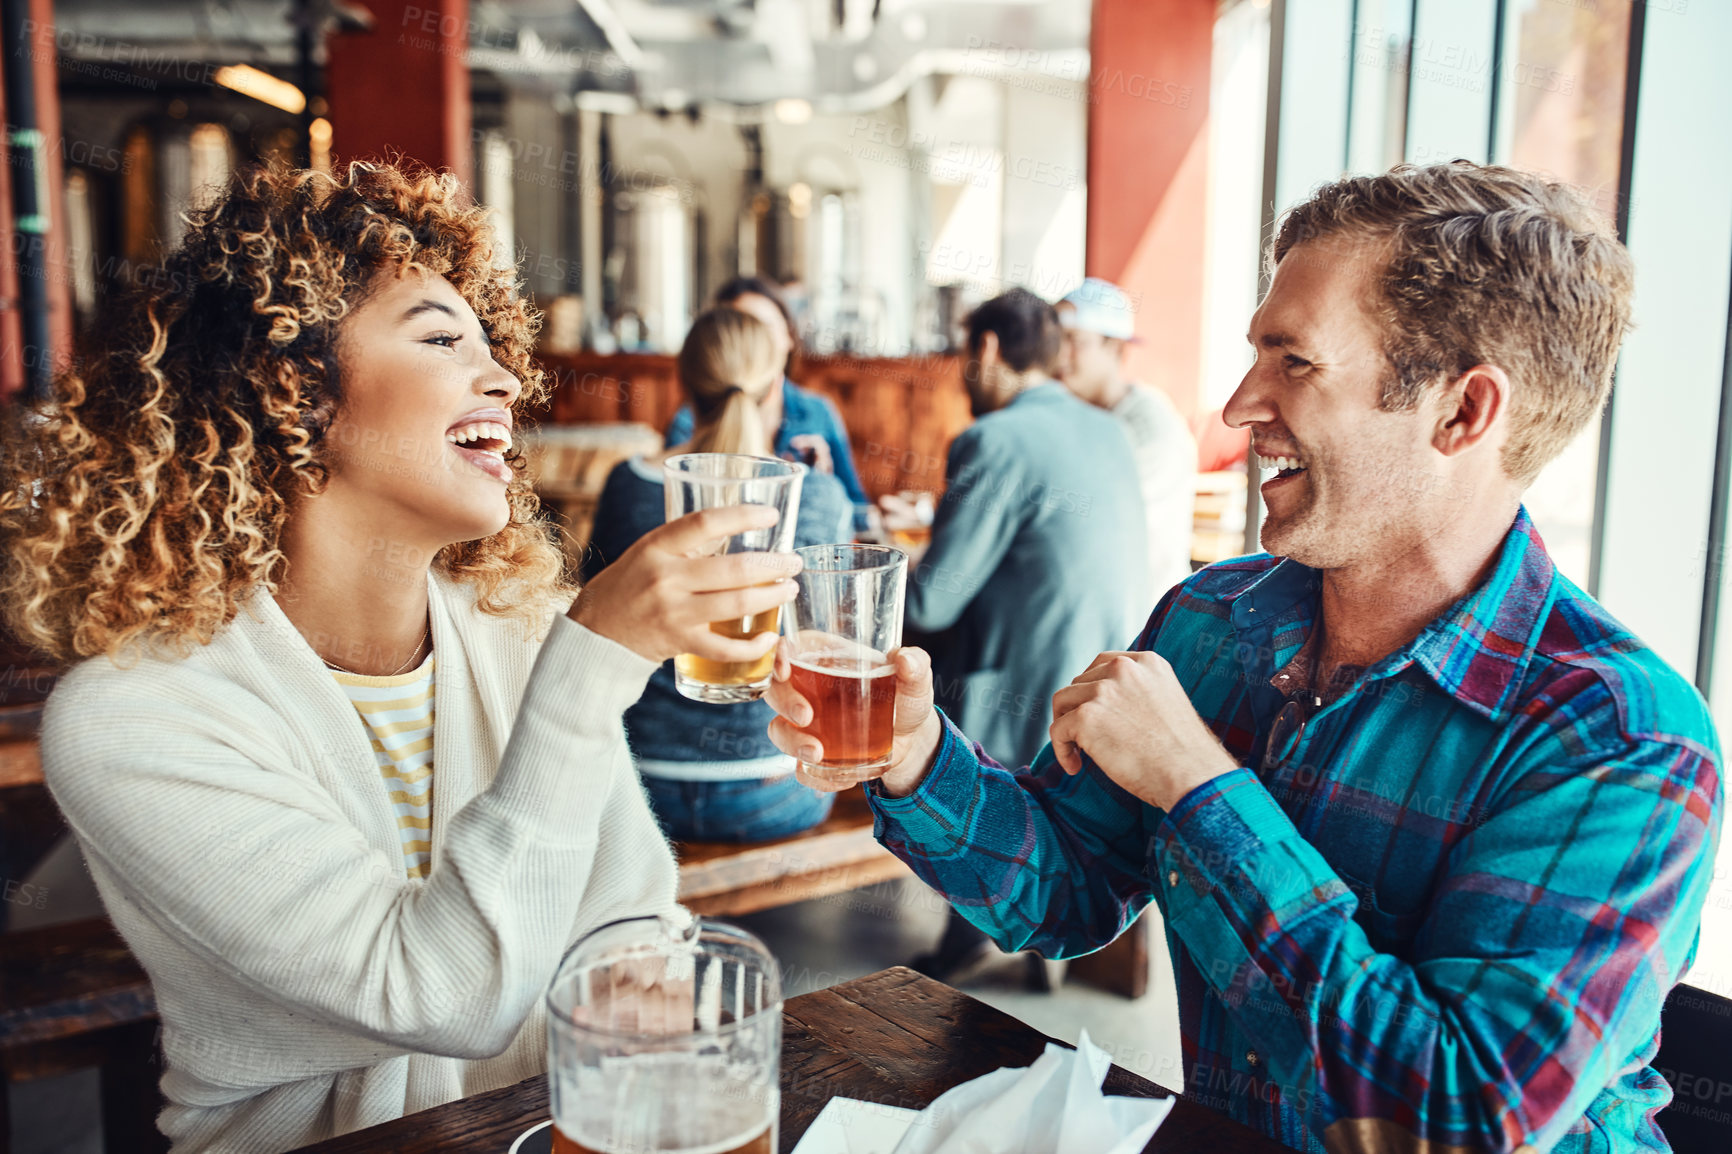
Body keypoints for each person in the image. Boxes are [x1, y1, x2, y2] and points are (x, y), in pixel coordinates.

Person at [765, 163, 1723, 1152]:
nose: (1235, 406)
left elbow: (1444, 1115)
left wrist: (1196, 785)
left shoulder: (1624, 736)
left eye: (1293, 361)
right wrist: (916, 750)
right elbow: (1064, 889)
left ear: (1461, 412)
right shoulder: (1211, 617)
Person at [0, 162, 800, 1154]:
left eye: (490, 342)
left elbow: (632, 915)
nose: (505, 376)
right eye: (438, 336)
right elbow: (443, 993)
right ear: (296, 388)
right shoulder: (130, 719)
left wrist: (636, 985)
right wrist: (595, 660)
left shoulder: (516, 624)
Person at [583, 307, 851, 841]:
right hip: (773, 787)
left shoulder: (628, 483)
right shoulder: (817, 494)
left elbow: (589, 605)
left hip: (641, 784)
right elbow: (833, 642)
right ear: (776, 384)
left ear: (684, 383)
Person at [906, 287, 1150, 769]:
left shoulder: (994, 438)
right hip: (1104, 700)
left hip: (1014, 722)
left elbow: (929, 606)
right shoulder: (1111, 429)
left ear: (987, 349)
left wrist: (889, 555)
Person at [665, 276, 873, 530]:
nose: (754, 345)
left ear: (788, 336)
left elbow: (860, 512)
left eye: (764, 329)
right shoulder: (686, 423)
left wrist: (822, 485)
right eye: (741, 330)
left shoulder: (818, 412)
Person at [1057, 277, 1199, 596]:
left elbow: (1087, 523)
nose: (1060, 354)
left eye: (1074, 340)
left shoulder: (1148, 424)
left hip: (1142, 619)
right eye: (1055, 340)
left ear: (1115, 347)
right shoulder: (1086, 416)